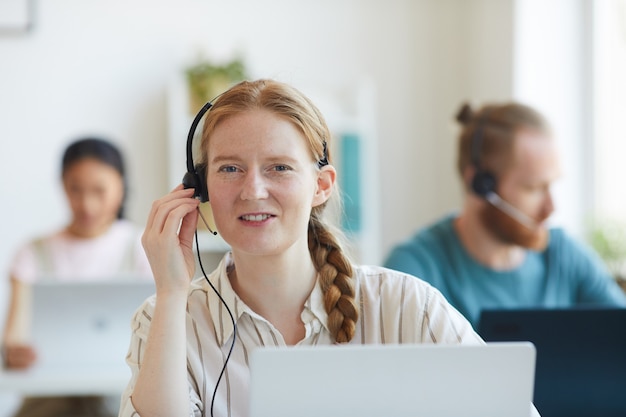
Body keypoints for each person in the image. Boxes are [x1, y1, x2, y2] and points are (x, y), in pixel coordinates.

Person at [116, 79, 506, 417]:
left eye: (279, 167)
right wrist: (170, 292)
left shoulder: (406, 306)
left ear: (321, 185)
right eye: (229, 168)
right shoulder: (164, 319)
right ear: (199, 189)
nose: (252, 190)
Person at [384, 102, 626, 329]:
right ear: (479, 184)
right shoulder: (413, 271)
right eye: (534, 188)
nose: (551, 207)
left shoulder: (565, 256)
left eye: (552, 185)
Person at [2, 137, 152, 417]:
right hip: (48, 400)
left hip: (124, 397)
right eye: (75, 190)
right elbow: (13, 340)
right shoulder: (31, 254)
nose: (87, 204)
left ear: (121, 186)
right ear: (61, 186)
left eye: (99, 190)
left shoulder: (145, 246)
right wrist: (13, 354)